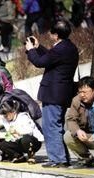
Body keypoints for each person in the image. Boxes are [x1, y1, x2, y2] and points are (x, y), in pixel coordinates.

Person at [26, 19, 79, 168]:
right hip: (61, 93)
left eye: (51, 32)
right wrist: (38, 47)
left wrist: (31, 50)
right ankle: (62, 157)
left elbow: (39, 62)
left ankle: (58, 159)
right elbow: (50, 58)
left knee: (51, 126)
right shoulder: (69, 47)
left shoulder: (60, 49)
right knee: (56, 125)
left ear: (55, 35)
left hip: (53, 93)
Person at [0, 99, 43, 164]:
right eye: (4, 116)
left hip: (33, 141)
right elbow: (9, 134)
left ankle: (31, 156)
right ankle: (18, 156)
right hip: (17, 141)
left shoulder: (23, 117)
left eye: (7, 115)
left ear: (13, 111)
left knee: (26, 139)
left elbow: (29, 131)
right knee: (2, 142)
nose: (5, 117)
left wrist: (17, 131)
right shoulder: (5, 120)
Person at [64, 77, 94, 168]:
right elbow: (71, 119)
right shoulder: (76, 101)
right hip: (88, 136)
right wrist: (78, 131)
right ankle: (87, 158)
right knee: (68, 136)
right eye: (80, 92)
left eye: (85, 92)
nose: (82, 95)